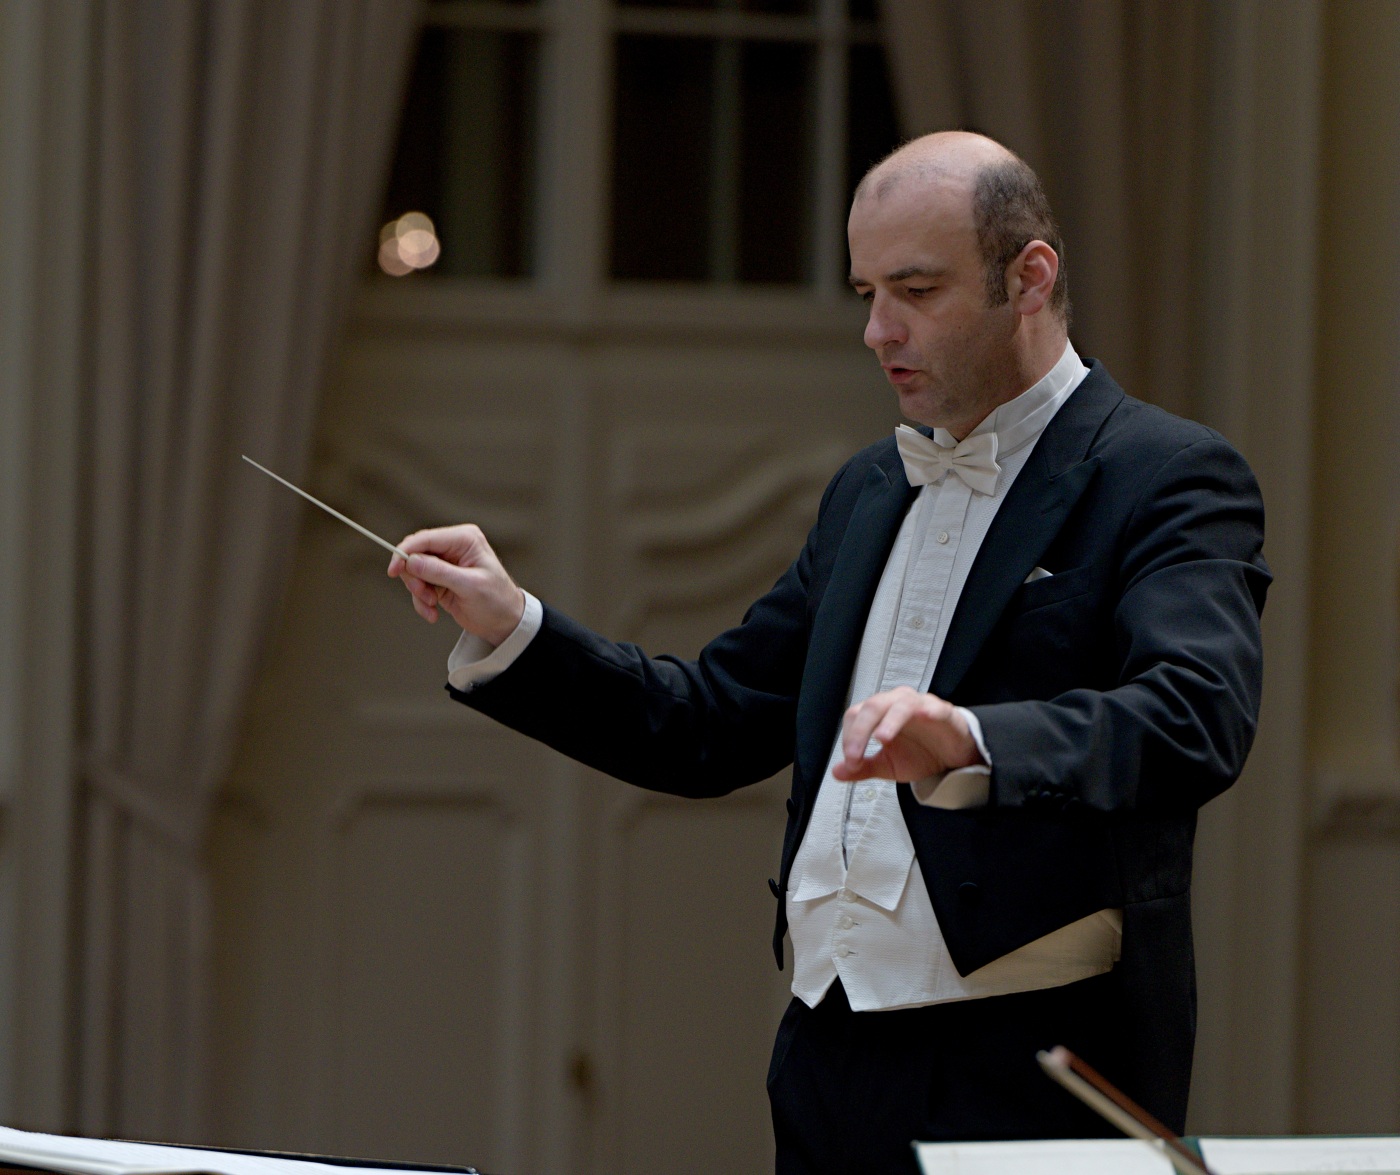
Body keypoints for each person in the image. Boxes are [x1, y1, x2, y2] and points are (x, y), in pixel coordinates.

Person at [388, 132, 1270, 1173]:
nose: (876, 329)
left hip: (1031, 1062)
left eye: (916, 290)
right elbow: (711, 720)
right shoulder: (866, 490)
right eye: (865, 291)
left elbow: (1193, 714)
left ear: (1029, 278)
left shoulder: (1166, 473)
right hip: (824, 1052)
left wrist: (973, 740)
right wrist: (513, 627)